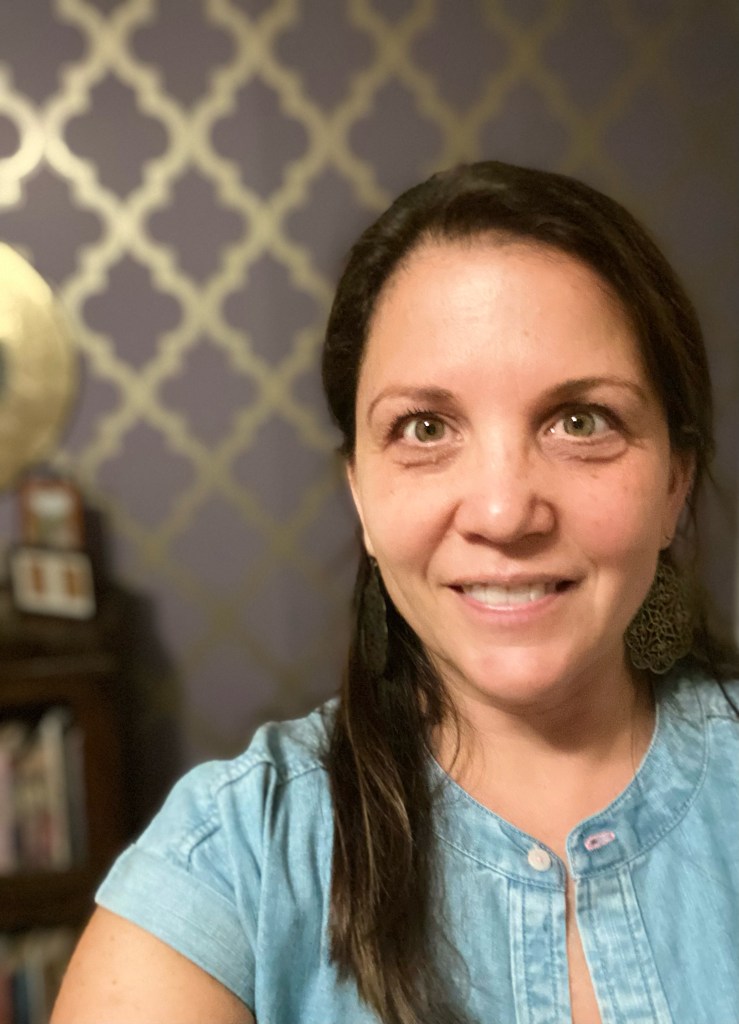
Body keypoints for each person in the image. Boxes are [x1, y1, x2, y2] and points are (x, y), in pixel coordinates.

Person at [52, 161, 739, 1024]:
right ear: (360, 495)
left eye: (579, 421)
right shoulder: (233, 861)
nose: (502, 512)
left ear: (675, 480)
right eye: (425, 428)